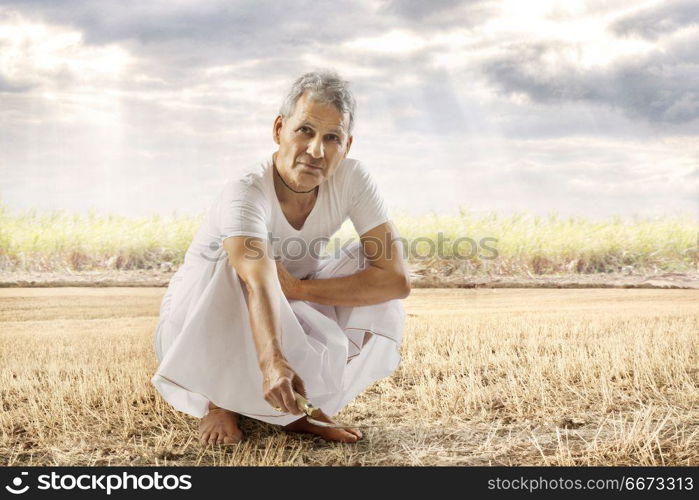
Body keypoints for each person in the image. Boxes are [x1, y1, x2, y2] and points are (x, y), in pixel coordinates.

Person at [151, 70, 411, 445]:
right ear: (278, 130)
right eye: (305, 131)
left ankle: (296, 410)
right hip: (200, 315)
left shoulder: (354, 178)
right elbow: (259, 282)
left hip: (290, 300)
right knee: (232, 263)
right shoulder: (245, 189)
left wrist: (300, 289)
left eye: (331, 138)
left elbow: (396, 280)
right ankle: (218, 401)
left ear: (347, 145)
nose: (317, 150)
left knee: (369, 262)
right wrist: (273, 364)